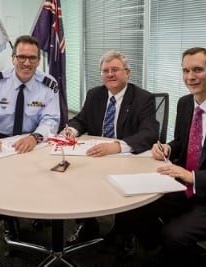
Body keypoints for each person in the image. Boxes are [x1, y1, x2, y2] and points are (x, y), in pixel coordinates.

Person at [114, 47, 206, 267]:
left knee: (174, 236)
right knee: (133, 207)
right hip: (184, 187)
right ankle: (169, 253)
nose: (190, 77)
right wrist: (168, 149)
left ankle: (173, 250)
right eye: (185, 71)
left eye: (198, 70)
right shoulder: (185, 103)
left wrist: (195, 177)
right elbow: (184, 141)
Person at [60, 50, 159, 252]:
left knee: (126, 187)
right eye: (106, 71)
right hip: (97, 155)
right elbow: (82, 119)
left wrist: (116, 146)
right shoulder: (94, 94)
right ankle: (87, 224)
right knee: (72, 176)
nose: (110, 74)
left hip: (127, 158)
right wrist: (71, 130)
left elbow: (149, 133)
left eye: (115, 70)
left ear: (127, 73)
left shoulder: (143, 98)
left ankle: (125, 232)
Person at [0, 35, 60, 154]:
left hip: (33, 140)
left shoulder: (48, 86)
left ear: (38, 61)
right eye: (21, 57)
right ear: (13, 58)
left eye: (32, 58)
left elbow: (51, 119)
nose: (27, 63)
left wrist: (35, 137)